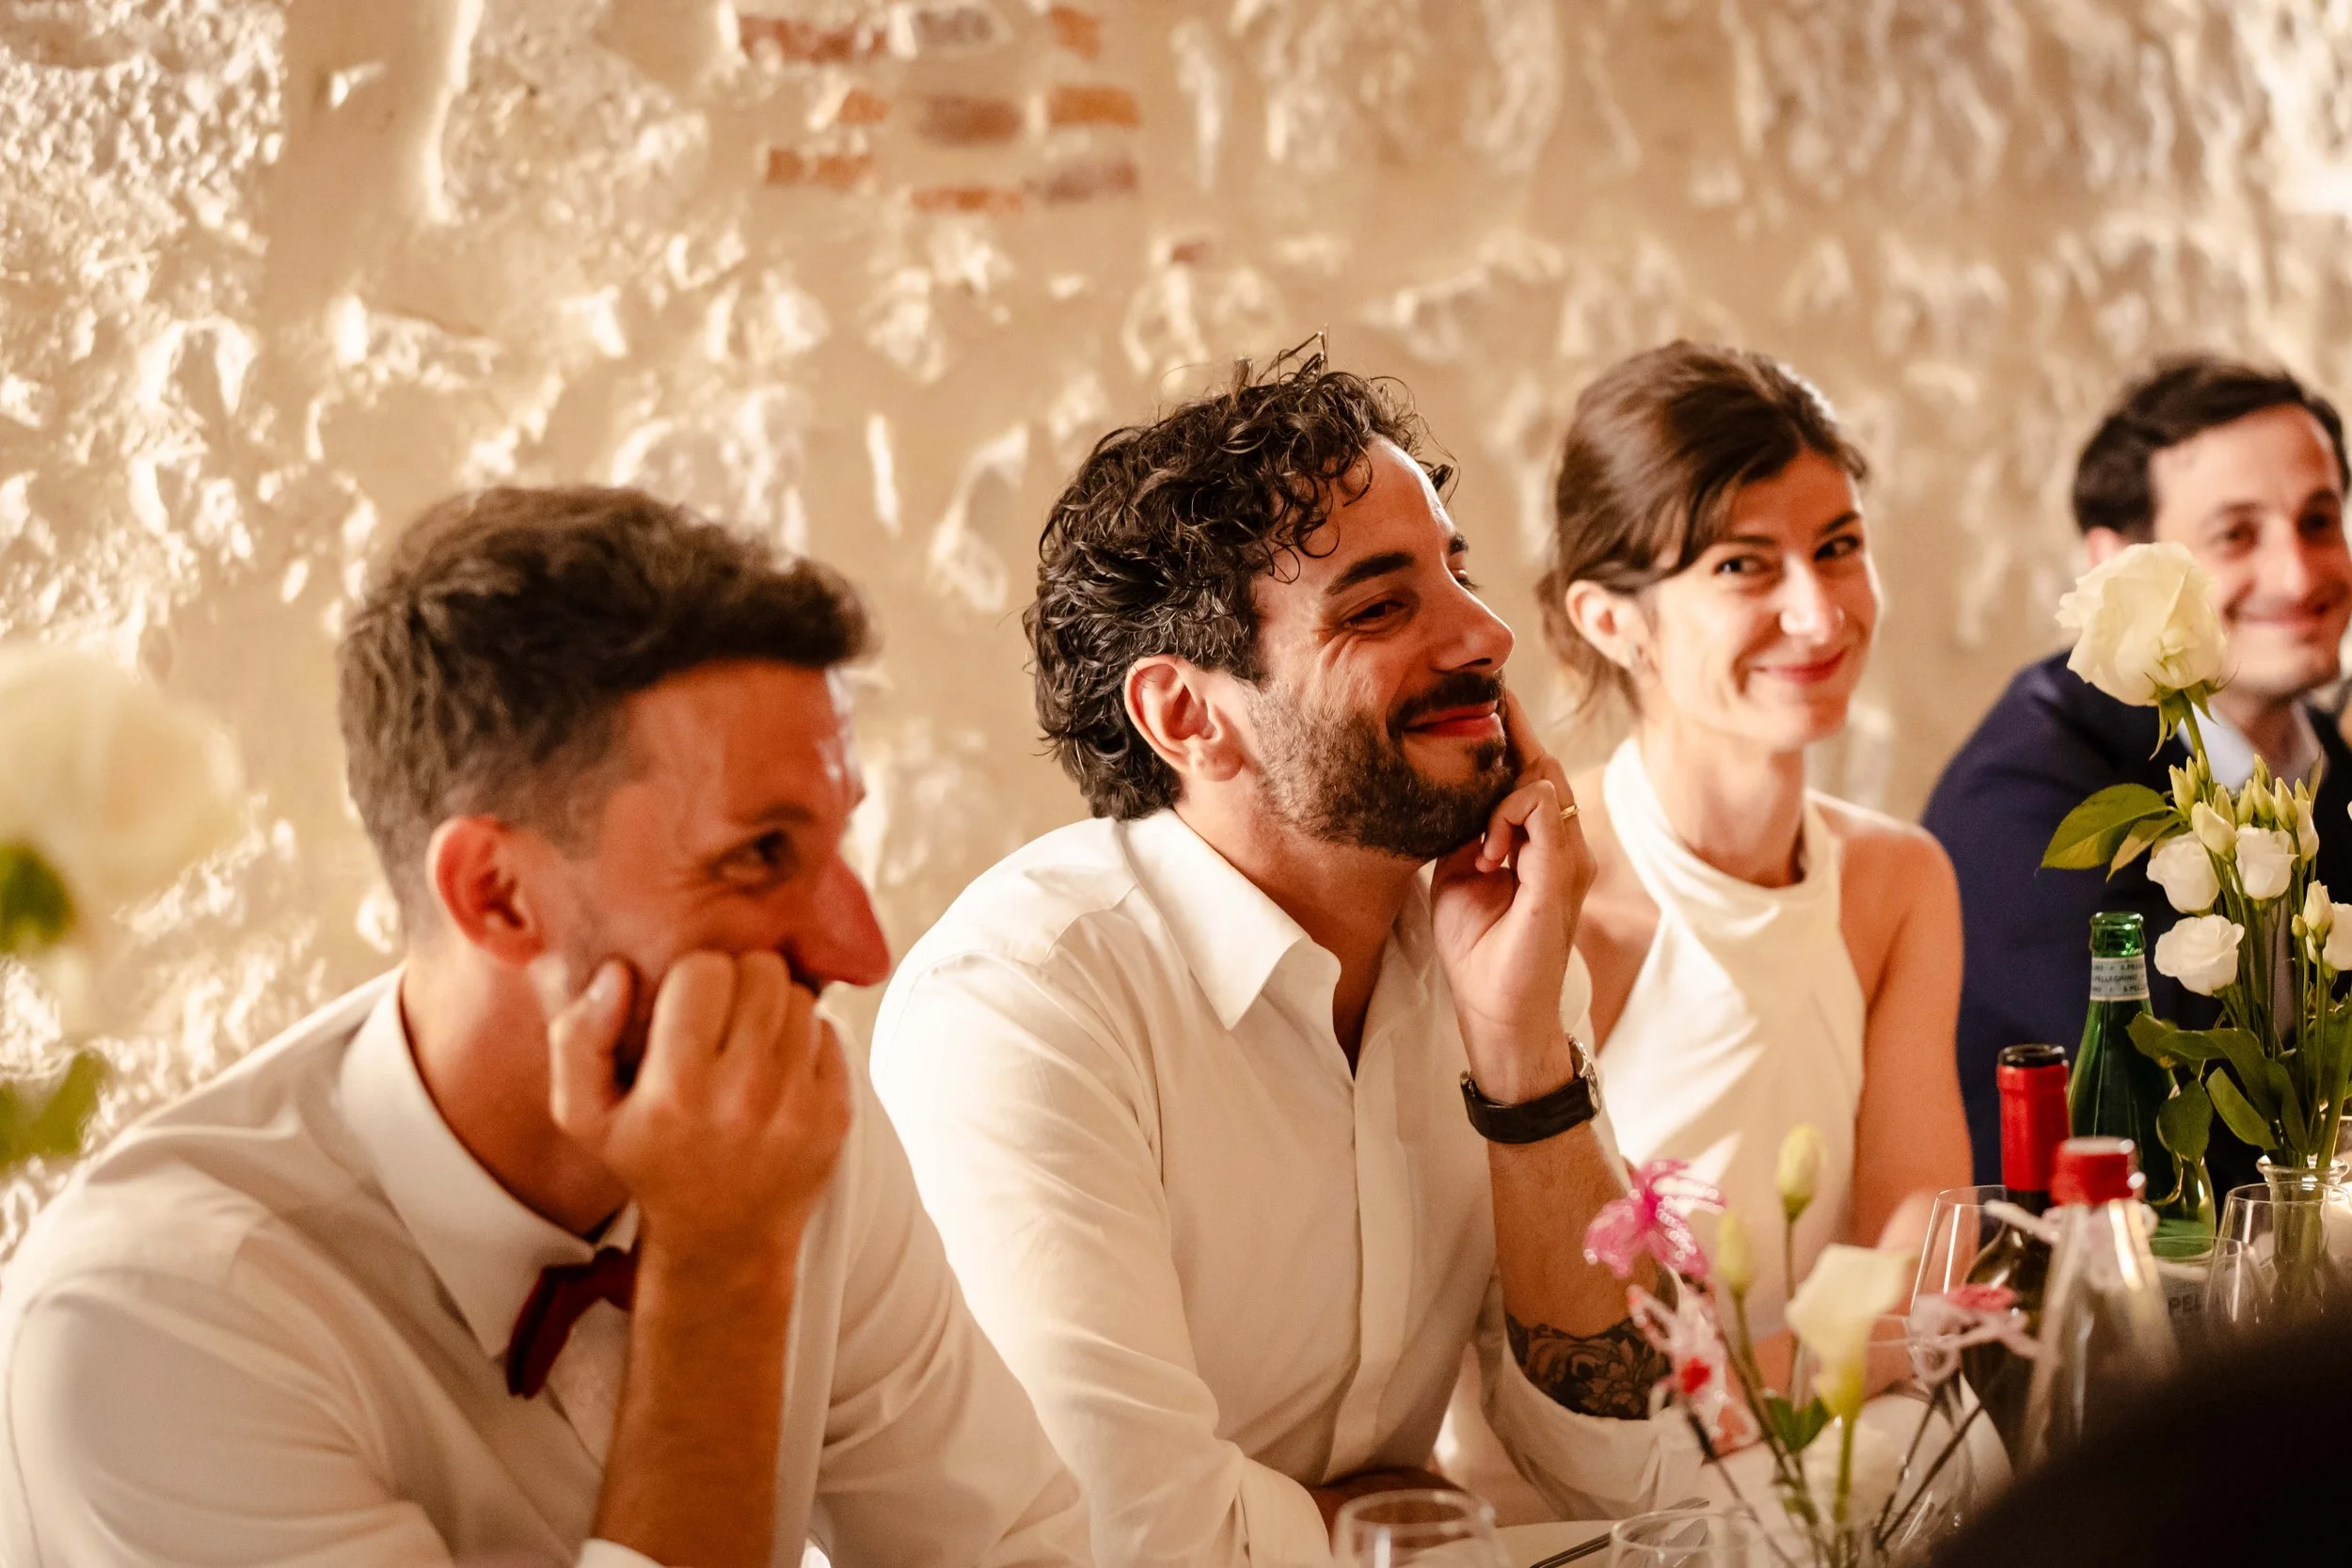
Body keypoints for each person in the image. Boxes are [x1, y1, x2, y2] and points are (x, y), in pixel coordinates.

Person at [0, 488, 1089, 1568]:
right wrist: (718, 1270)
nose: (859, 951)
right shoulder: (158, 1322)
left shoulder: (788, 1109)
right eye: (759, 853)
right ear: (498, 895)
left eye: (833, 843)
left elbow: (1015, 1548)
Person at [869, 349, 1700, 1568]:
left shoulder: (1491, 938)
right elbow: (1131, 1531)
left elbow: (1636, 1462)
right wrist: (1392, 1519)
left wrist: (1522, 1057)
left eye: (1454, 572)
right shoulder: (1022, 1001)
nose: (1484, 632)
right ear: (1189, 715)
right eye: (1379, 605)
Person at [1539, 341, 1970, 1337]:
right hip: (1602, 1470)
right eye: (1741, 564)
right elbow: (1542, 1307)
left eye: (1837, 546)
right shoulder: (1545, 895)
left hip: (1845, 1427)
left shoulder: (1898, 882)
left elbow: (1920, 1239)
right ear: (1609, 619)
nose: (1817, 615)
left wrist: (1798, 1421)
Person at [1924, 355, 2352, 1191]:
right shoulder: (2026, 793)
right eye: (2236, 534)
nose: (2299, 575)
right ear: (2116, 562)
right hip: (2092, 1287)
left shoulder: (2332, 757)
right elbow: (2192, 1105)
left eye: (2319, 520)